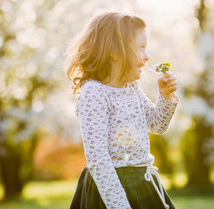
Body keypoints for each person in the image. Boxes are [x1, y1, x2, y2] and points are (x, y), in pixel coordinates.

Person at [64, 12, 178, 209]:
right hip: (108, 191)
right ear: (115, 52)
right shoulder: (94, 94)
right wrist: (119, 205)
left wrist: (166, 97)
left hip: (142, 185)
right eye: (141, 48)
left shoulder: (130, 88)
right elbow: (98, 158)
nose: (147, 56)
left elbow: (157, 125)